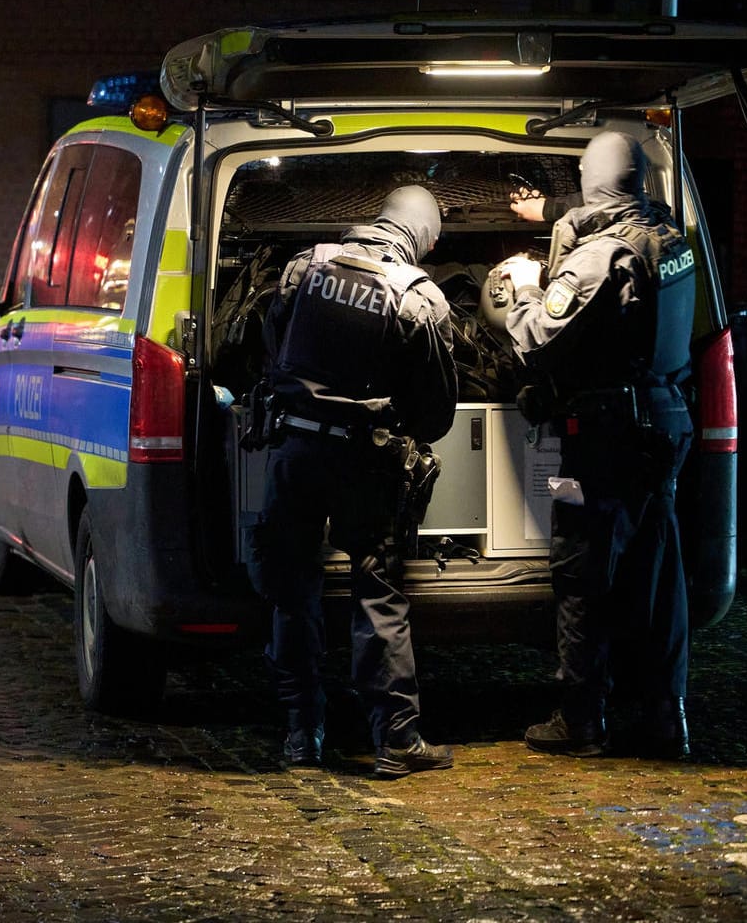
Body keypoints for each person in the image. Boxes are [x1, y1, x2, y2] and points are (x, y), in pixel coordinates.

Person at [497, 131, 697, 760]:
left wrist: (524, 286)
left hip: (600, 440)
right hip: (662, 425)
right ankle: (668, 717)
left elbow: (535, 337)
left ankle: (580, 719)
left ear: (590, 179)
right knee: (657, 573)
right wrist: (554, 218)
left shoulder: (599, 256)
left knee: (580, 568)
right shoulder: (668, 239)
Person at [250, 183, 459, 779]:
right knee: (379, 597)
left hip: (294, 452)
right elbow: (435, 415)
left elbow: (272, 347)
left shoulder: (303, 268)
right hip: (366, 464)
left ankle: (301, 735)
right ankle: (395, 741)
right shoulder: (419, 299)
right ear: (424, 237)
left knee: (292, 592)